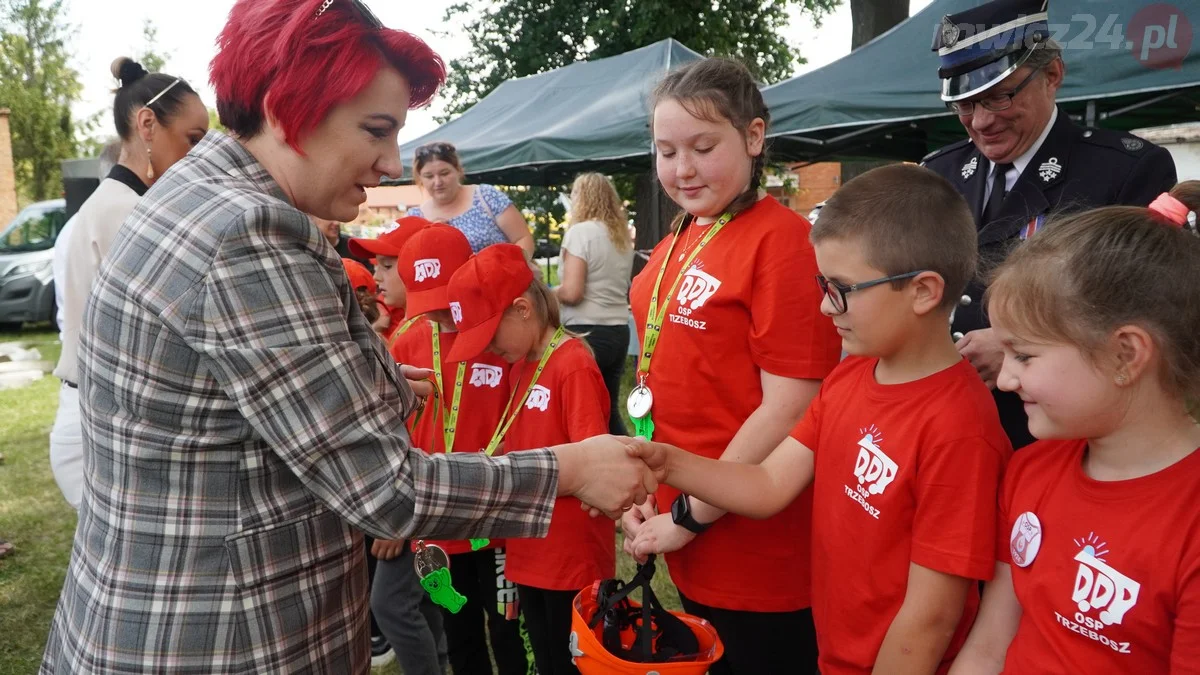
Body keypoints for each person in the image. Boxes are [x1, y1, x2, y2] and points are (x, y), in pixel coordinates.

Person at [39, 2, 658, 673]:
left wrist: (385, 383)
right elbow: (386, 490)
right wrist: (571, 468)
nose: (391, 161)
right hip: (222, 639)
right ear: (287, 106)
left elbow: (246, 394)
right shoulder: (248, 235)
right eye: (376, 129)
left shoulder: (197, 194)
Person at [631, 164, 1013, 674]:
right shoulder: (850, 376)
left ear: (923, 291)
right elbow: (768, 485)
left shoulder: (961, 428)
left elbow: (930, 616)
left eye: (841, 287)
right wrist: (663, 462)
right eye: (821, 283)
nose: (824, 305)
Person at [620, 57, 842, 674]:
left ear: (753, 136)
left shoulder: (785, 242)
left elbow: (792, 405)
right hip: (685, 516)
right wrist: (650, 488)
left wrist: (690, 515)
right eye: (666, 151)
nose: (682, 168)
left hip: (756, 538)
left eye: (702, 146)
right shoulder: (678, 238)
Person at [949, 185, 1200, 674]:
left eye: (1023, 355)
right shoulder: (1030, 470)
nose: (1005, 379)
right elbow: (990, 646)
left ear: (1125, 355)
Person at [922, 0, 1177, 450]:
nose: (981, 121)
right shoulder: (938, 174)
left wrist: (1015, 346)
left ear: (1052, 75)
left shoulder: (1125, 171)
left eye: (999, 95)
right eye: (964, 104)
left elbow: (1148, 314)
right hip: (945, 431)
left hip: (1060, 441)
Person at [446, 243, 615, 675]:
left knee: (571, 661)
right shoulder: (519, 363)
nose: (486, 351)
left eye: (488, 336)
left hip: (569, 558)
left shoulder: (571, 363)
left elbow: (594, 461)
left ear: (521, 309)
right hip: (529, 551)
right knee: (543, 655)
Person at [49, 58, 208, 510]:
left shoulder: (123, 204)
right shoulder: (126, 213)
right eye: (192, 140)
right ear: (147, 124)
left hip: (97, 415)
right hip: (99, 424)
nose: (198, 156)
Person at [374, 224, 526, 675]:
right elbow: (395, 432)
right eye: (428, 305)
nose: (440, 318)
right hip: (442, 520)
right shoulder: (407, 341)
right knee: (459, 635)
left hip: (499, 518)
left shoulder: (503, 338)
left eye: (446, 304)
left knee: (508, 632)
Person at [555, 172, 635, 436]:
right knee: (609, 408)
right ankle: (630, 462)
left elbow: (572, 292)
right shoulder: (619, 235)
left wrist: (545, 293)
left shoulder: (581, 233)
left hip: (586, 330)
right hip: (618, 329)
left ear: (582, 199)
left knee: (583, 411)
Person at [408, 141, 534, 255]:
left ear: (458, 170)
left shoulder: (486, 196)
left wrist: (513, 267)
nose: (438, 182)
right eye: (429, 176)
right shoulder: (416, 217)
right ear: (420, 178)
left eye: (444, 173)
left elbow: (522, 238)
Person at [348, 215, 431, 345]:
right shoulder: (412, 327)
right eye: (377, 267)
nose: (376, 277)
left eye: (387, 266)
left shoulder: (425, 334)